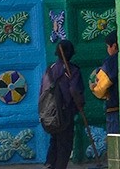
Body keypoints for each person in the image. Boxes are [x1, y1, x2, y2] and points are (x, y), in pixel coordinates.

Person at [40, 40, 85, 169]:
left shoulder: (50, 69)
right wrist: (80, 105)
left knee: (54, 142)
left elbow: (42, 90)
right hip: (65, 113)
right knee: (64, 146)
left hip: (49, 114)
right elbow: (75, 91)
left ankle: (49, 165)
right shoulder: (73, 71)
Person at [90, 30, 120, 134]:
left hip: (114, 109)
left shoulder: (111, 62)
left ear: (114, 46)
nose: (107, 49)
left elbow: (100, 88)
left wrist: (93, 87)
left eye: (108, 46)